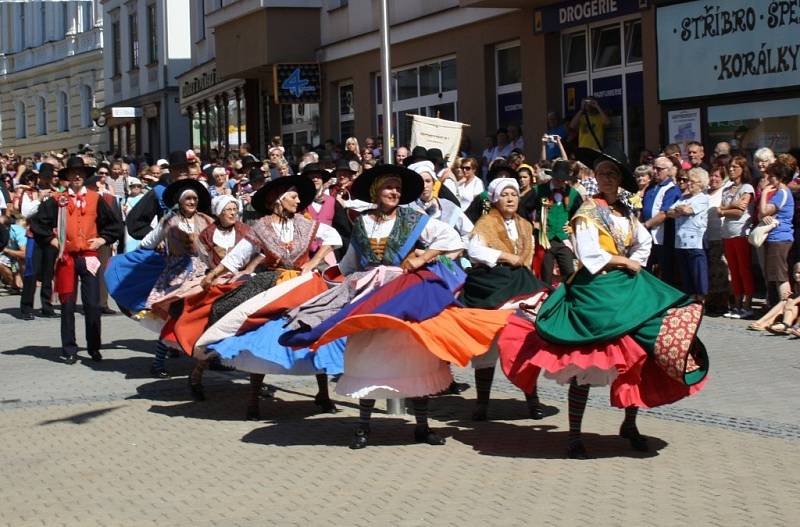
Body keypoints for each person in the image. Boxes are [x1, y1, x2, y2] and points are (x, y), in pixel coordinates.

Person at [280, 164, 511, 449]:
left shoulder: (413, 219)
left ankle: (422, 427)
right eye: (389, 187)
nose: (394, 192)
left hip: (404, 291)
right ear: (377, 190)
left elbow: (451, 238)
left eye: (398, 189)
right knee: (368, 353)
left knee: (413, 354)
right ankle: (363, 426)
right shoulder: (362, 222)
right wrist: (335, 279)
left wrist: (423, 257)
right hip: (369, 293)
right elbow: (351, 261)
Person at [498, 148, 708, 459]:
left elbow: (644, 241)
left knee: (638, 355)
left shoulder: (625, 212)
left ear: (620, 180)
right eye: (603, 173)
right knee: (586, 361)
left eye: (613, 174)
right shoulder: (587, 211)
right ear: (595, 178)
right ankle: (573, 435)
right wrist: (623, 261)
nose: (607, 178)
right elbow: (589, 253)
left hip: (627, 286)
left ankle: (630, 423)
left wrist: (633, 263)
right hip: (596, 288)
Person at [197, 175, 342, 416]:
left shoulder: (304, 223)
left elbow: (333, 237)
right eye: (294, 197)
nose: (298, 202)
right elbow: (237, 257)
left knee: (314, 333)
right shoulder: (261, 227)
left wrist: (314, 262)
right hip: (273, 285)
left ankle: (323, 394)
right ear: (279, 200)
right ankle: (253, 400)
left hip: (304, 285)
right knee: (261, 336)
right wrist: (213, 275)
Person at [462, 177, 549, 421]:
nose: (510, 198)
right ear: (495, 199)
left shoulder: (525, 224)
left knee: (524, 338)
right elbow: (474, 250)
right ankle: (482, 402)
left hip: (520, 281)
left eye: (513, 194)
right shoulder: (486, 223)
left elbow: (529, 253)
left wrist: (518, 263)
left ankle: (533, 400)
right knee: (487, 341)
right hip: (491, 282)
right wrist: (504, 256)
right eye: (504, 195)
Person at [30, 157, 122, 364]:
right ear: (67, 177)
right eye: (73, 173)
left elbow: (114, 224)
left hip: (89, 257)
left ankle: (94, 347)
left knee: (92, 304)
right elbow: (38, 223)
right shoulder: (58, 199)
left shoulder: (96, 198)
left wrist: (102, 239)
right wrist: (53, 240)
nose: (77, 176)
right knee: (68, 305)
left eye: (80, 172)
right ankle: (69, 349)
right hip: (67, 258)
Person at [136, 179, 214, 378]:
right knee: (174, 317)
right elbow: (147, 242)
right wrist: (147, 257)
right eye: (188, 198)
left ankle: (211, 359)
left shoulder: (206, 220)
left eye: (195, 198)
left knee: (207, 315)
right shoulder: (169, 221)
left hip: (202, 275)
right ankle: (158, 362)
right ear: (179, 201)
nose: (192, 201)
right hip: (176, 276)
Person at [523, 160, 581, 286]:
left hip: (563, 239)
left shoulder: (573, 194)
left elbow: (580, 214)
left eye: (563, 179)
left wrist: (572, 226)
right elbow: (522, 208)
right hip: (545, 240)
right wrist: (531, 226)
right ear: (552, 176)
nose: (560, 181)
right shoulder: (538, 190)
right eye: (557, 178)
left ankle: (568, 300)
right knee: (545, 276)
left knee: (570, 274)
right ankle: (547, 302)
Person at [719, 156, 755, 318]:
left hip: (740, 232)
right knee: (733, 269)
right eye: (730, 167)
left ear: (743, 168)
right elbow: (719, 209)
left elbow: (740, 211)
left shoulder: (747, 187)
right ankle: (737, 302)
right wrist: (731, 206)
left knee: (744, 268)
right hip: (727, 233)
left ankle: (748, 303)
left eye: (735, 167)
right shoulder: (727, 188)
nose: (731, 169)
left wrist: (726, 209)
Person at [667, 168, 710, 302]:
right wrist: (679, 210)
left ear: (700, 184)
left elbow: (687, 210)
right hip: (680, 241)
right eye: (688, 181)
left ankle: (701, 298)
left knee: (698, 272)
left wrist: (679, 210)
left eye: (693, 181)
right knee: (686, 273)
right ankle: (691, 298)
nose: (689, 184)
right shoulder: (682, 197)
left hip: (695, 241)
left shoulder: (703, 198)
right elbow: (669, 212)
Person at [642, 156, 682, 285]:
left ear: (668, 171)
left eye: (659, 169)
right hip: (648, 236)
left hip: (663, 237)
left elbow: (664, 213)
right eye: (653, 168)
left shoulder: (671, 189)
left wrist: (646, 225)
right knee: (646, 269)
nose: (654, 171)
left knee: (666, 271)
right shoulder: (651, 188)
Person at [760, 162, 795, 306]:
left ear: (780, 177)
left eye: (772, 176)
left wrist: (764, 193)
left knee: (780, 276)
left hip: (780, 238)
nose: (769, 179)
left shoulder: (782, 192)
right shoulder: (782, 193)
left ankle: (783, 310)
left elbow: (763, 211)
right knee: (775, 276)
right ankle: (778, 309)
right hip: (777, 237)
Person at [704, 163, 730, 315]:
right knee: (711, 273)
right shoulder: (705, 193)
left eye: (717, 176)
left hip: (719, 235)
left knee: (721, 272)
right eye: (711, 175)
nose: (713, 179)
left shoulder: (724, 192)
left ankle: (723, 303)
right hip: (706, 237)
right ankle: (712, 302)